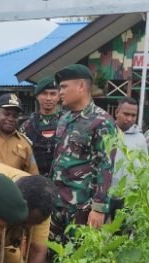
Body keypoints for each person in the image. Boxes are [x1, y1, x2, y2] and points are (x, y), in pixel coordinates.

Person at [50, 64, 117, 244]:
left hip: (81, 207)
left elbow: (106, 166)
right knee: (51, 259)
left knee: (77, 260)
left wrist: (99, 208)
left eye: (64, 87)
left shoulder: (101, 121)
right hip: (57, 204)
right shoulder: (65, 118)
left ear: (81, 86)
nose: (60, 92)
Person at [110, 96, 147, 216]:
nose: (130, 119)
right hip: (106, 194)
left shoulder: (140, 138)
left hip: (128, 196)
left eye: (133, 115)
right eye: (126, 114)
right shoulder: (106, 132)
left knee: (123, 233)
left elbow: (144, 166)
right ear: (117, 112)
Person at [20, 76, 61, 177]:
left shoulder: (67, 123)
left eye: (52, 94)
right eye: (44, 93)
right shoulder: (27, 126)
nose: (48, 98)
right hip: (34, 179)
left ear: (59, 97)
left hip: (61, 180)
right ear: (37, 96)